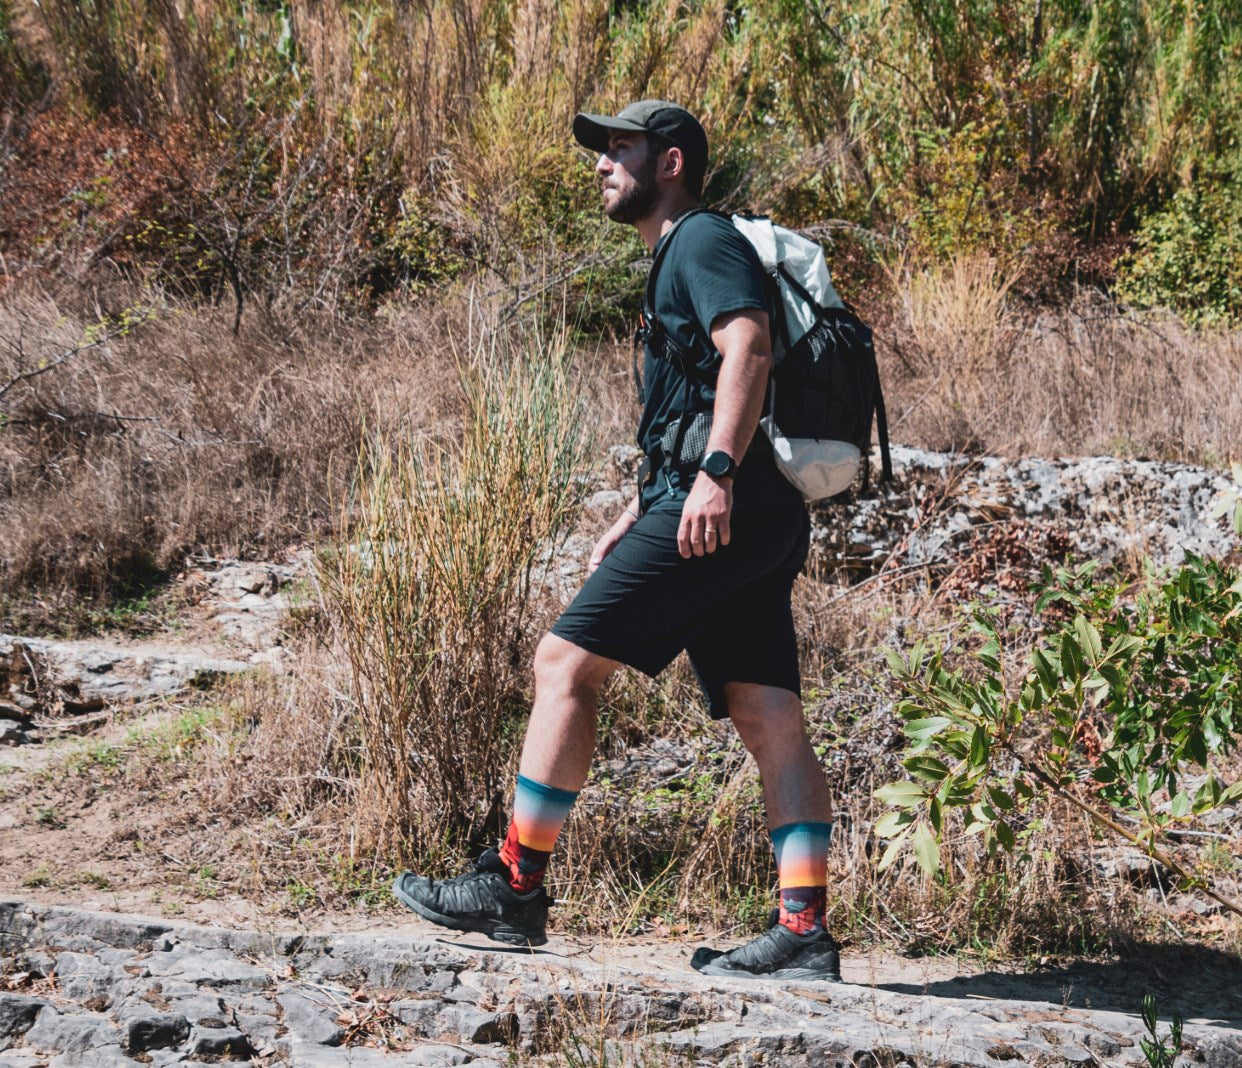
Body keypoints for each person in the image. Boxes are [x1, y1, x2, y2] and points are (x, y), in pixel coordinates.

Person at [394, 100, 841, 982]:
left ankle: (516, 886)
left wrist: (711, 474)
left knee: (563, 665)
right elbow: (692, 394)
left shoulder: (699, 242)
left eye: (620, 146)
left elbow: (747, 347)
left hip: (725, 502)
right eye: (600, 148)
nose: (602, 161)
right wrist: (645, 504)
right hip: (754, 512)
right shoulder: (684, 251)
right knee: (767, 711)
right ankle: (802, 931)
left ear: (669, 161)